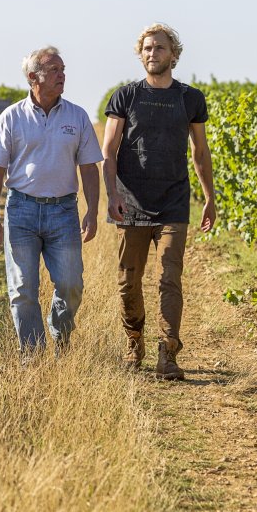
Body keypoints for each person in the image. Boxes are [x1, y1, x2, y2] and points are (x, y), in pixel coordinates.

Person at [101, 23, 217, 380]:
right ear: (141, 54)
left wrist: (210, 197)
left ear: (174, 55)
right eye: (148, 48)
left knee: (170, 278)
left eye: (160, 48)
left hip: (174, 202)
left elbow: (199, 151)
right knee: (128, 282)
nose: (153, 54)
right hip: (131, 202)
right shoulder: (126, 96)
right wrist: (112, 195)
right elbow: (108, 151)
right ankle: (133, 340)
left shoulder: (189, 98)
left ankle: (168, 353)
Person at [0, 46, 102, 357]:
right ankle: (32, 355)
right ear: (33, 77)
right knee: (22, 290)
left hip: (63, 211)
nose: (63, 75)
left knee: (71, 285)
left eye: (63, 70)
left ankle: (60, 334)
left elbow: (89, 167)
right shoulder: (12, 116)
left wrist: (91, 210)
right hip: (20, 210)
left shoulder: (77, 116)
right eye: (55, 70)